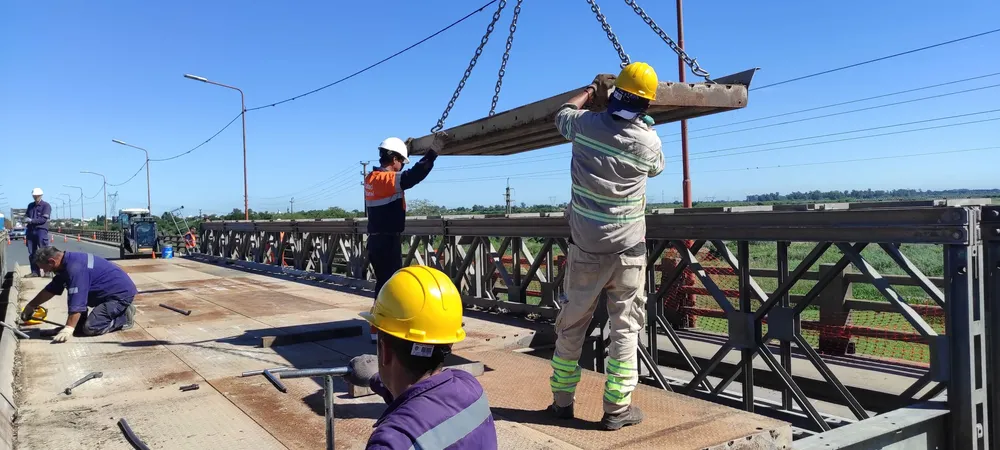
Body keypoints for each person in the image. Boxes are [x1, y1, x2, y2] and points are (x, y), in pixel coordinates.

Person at [546, 62, 665, 430]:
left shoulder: (584, 126)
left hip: (586, 252)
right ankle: (617, 410)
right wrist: (642, 126)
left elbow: (561, 115)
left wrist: (589, 91)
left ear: (613, 95)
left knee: (571, 327)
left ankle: (562, 402)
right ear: (646, 105)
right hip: (629, 254)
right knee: (626, 329)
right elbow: (657, 168)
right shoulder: (648, 142)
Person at [347, 265, 497, 449]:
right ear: (448, 343)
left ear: (384, 350)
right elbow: (423, 396)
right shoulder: (471, 388)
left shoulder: (391, 442)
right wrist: (374, 379)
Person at [364, 133, 446, 342]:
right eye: (401, 160)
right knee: (389, 285)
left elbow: (400, 179)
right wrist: (433, 152)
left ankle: (379, 328)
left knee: (383, 283)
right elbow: (415, 175)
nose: (402, 164)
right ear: (394, 159)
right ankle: (382, 330)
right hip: (386, 240)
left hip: (376, 239)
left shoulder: (371, 178)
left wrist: (406, 151)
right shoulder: (386, 179)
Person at [20, 247, 137, 342]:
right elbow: (50, 290)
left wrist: (69, 328)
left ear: (52, 261)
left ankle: (124, 317)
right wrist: (31, 305)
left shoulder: (75, 269)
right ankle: (79, 325)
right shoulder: (65, 265)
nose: (45, 272)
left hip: (119, 295)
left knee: (91, 328)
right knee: (79, 329)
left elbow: (77, 301)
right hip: (105, 294)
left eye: (44, 268)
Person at [24, 187, 51, 278]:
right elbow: (26, 216)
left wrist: (31, 220)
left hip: (41, 230)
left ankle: (47, 271)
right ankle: (35, 272)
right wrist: (26, 220)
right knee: (32, 252)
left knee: (44, 251)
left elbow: (43, 219)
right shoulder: (30, 206)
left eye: (37, 196)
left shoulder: (46, 206)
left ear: (41, 196)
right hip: (31, 230)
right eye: (34, 196)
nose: (36, 197)